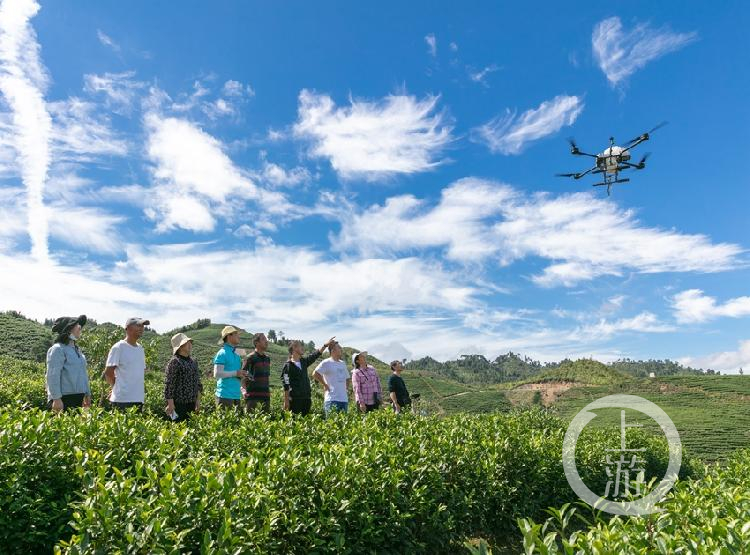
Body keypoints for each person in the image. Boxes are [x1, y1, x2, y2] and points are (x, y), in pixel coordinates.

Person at [46, 315, 91, 412]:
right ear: (68, 329)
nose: (80, 328)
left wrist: (87, 394)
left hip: (78, 397)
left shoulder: (77, 350)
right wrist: (56, 399)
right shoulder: (58, 349)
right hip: (63, 398)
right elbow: (52, 375)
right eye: (76, 325)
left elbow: (83, 374)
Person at [104, 317, 150, 412]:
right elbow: (108, 372)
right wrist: (114, 388)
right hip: (122, 400)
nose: (141, 328)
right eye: (138, 325)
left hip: (138, 399)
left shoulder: (140, 349)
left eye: (143, 326)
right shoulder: (118, 347)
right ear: (128, 328)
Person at [281, 337, 335, 415]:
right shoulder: (288, 366)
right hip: (295, 400)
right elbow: (286, 384)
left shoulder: (303, 362)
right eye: (300, 346)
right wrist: (286, 401)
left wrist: (325, 345)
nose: (302, 348)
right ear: (294, 348)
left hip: (306, 399)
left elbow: (315, 355)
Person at [164, 332, 203, 422]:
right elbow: (169, 384)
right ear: (180, 346)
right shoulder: (175, 362)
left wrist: (198, 402)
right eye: (186, 343)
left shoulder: (193, 362)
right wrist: (170, 404)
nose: (190, 344)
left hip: (192, 403)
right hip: (178, 404)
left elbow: (198, 383)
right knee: (178, 431)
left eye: (190, 342)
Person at [313, 341, 351, 415]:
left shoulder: (342, 363)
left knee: (344, 425)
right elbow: (315, 373)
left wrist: (345, 389)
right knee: (332, 424)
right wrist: (325, 384)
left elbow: (347, 378)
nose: (341, 349)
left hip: (343, 400)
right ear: (333, 350)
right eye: (339, 347)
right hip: (331, 399)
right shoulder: (326, 362)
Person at [213, 325, 246, 409]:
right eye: (236, 333)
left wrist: (241, 375)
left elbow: (237, 375)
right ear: (229, 336)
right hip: (224, 396)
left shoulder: (236, 355)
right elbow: (217, 374)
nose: (238, 336)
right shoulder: (222, 353)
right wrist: (236, 373)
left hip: (236, 396)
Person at [242, 333, 271, 412]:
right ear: (256, 343)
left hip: (266, 397)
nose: (266, 341)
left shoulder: (267, 358)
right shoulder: (250, 358)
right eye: (263, 339)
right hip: (252, 397)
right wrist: (244, 391)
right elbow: (243, 376)